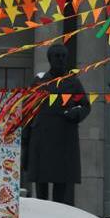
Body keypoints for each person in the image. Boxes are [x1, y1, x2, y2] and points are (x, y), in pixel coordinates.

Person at [21, 43, 89, 205]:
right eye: (57, 56)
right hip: (41, 141)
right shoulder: (39, 82)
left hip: (63, 141)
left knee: (61, 194)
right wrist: (25, 141)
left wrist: (76, 113)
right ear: (50, 59)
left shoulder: (73, 82)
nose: (60, 59)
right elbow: (28, 111)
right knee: (41, 194)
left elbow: (86, 106)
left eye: (63, 56)